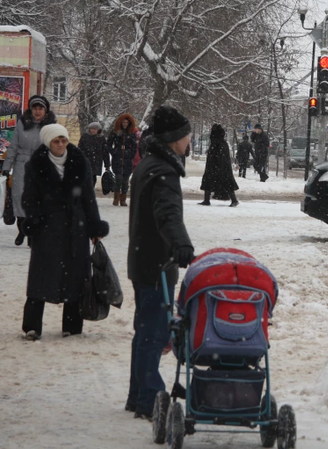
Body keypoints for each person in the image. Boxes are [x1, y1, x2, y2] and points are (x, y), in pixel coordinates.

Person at [126, 105, 196, 421]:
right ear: (174, 138)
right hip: (156, 263)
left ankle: (137, 395)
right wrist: (181, 245)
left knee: (145, 330)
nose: (189, 138)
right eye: (186, 133)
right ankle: (149, 398)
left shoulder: (150, 165)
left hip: (143, 259)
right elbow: (166, 214)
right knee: (152, 332)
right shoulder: (163, 171)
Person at [20, 124, 109, 341]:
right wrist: (34, 219)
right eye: (56, 141)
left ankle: (72, 326)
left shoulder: (80, 162)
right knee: (40, 277)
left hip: (74, 227)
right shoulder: (36, 165)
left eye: (63, 140)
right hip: (47, 228)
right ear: (48, 143)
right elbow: (29, 197)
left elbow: (88, 197)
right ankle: (32, 327)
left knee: (76, 278)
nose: (60, 145)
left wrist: (93, 226)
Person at [1, 95, 56, 246]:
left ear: (45, 110)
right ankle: (22, 230)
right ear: (31, 110)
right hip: (22, 164)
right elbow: (13, 146)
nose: (37, 112)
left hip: (42, 165)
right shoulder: (22, 124)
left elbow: (57, 148)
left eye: (40, 109)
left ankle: (33, 233)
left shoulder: (51, 127)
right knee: (19, 197)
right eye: (35, 108)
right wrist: (6, 166)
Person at [200, 124, 240, 207]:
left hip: (217, 168)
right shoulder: (220, 143)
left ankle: (234, 200)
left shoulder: (218, 143)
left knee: (223, 182)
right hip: (218, 168)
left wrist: (217, 166)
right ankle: (206, 200)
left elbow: (219, 157)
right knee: (216, 182)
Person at [106, 113, 138, 206]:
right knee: (118, 179)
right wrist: (114, 152)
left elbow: (135, 146)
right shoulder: (115, 132)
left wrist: (131, 154)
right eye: (123, 122)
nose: (125, 124)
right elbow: (108, 144)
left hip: (128, 160)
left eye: (126, 122)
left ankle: (123, 199)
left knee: (125, 181)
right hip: (117, 159)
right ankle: (116, 198)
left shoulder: (131, 133)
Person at [78, 121, 110, 188]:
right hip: (86, 160)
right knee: (85, 177)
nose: (93, 130)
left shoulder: (101, 138)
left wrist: (107, 164)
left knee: (93, 177)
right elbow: (80, 149)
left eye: (94, 129)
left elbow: (105, 152)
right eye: (91, 129)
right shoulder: (85, 137)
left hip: (96, 161)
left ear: (98, 130)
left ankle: (90, 191)